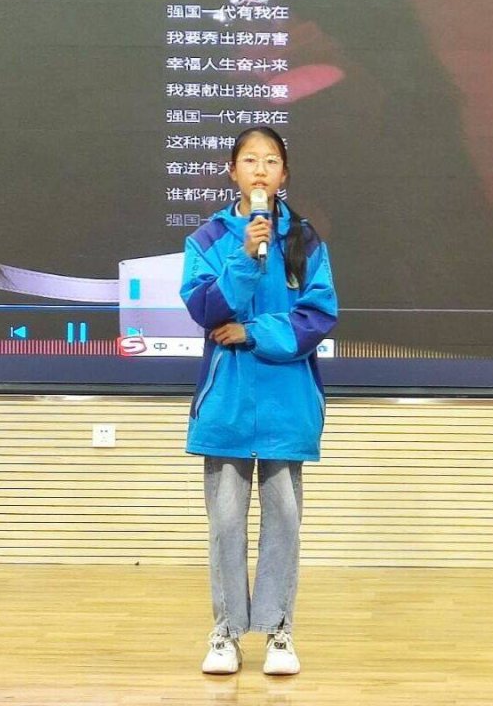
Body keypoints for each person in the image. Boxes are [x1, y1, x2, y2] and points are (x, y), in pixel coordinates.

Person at [180, 126, 338, 675]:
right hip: (226, 401)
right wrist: (247, 257)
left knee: (284, 521)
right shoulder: (207, 239)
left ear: (284, 174)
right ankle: (225, 632)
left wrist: (253, 333)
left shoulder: (304, 241)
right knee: (225, 523)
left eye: (271, 161)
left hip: (287, 401)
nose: (261, 170)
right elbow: (204, 309)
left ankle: (279, 631)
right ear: (233, 171)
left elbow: (318, 315)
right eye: (250, 160)